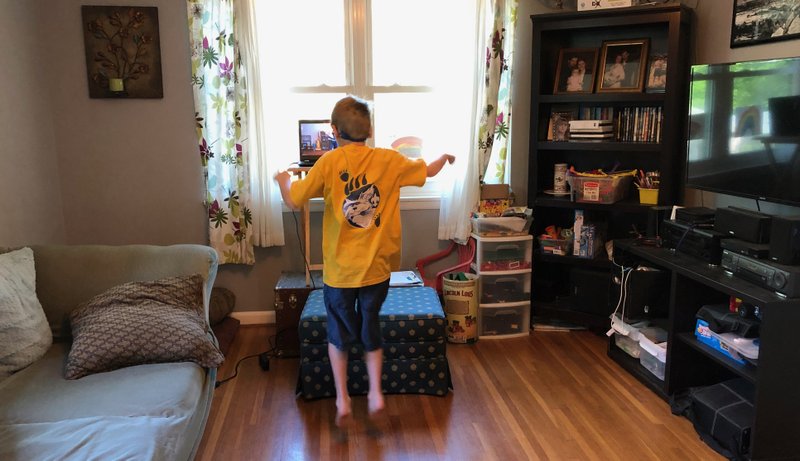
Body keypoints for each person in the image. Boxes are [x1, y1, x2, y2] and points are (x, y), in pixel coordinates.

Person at [274, 95, 455, 429]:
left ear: (333, 131)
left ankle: (342, 399)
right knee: (370, 326)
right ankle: (375, 393)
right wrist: (444, 157)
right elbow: (427, 170)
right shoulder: (389, 159)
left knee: (338, 334)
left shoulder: (328, 163)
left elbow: (295, 199)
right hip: (377, 271)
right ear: (369, 130)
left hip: (341, 274)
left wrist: (284, 180)